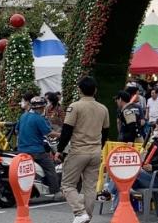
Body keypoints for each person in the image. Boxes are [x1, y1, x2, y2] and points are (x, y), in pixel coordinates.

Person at [56, 76, 110, 223]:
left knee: (67, 184)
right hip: (95, 151)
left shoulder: (75, 107)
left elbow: (66, 131)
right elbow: (105, 132)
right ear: (95, 90)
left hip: (78, 151)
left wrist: (59, 150)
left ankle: (80, 213)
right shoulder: (103, 108)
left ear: (79, 90)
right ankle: (87, 217)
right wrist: (99, 146)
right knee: (90, 187)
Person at [16, 96, 60, 196]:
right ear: (42, 107)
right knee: (50, 167)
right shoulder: (38, 118)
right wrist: (62, 135)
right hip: (36, 151)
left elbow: (17, 130)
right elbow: (49, 133)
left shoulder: (23, 116)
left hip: (21, 150)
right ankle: (56, 192)